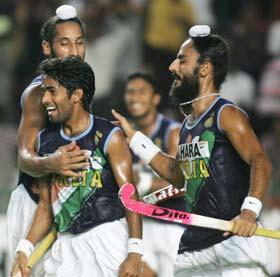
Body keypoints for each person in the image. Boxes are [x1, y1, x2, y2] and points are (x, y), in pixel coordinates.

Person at [112, 25, 272, 276]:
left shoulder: (227, 114)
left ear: (205, 68)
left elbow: (260, 160)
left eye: (182, 60)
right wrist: (135, 139)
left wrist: (249, 212)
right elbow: (177, 174)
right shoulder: (187, 125)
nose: (172, 67)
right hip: (193, 248)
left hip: (234, 243)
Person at [12, 56, 143, 277]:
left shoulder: (109, 136)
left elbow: (130, 196)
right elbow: (46, 207)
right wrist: (24, 249)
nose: (44, 99)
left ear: (76, 95)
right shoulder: (45, 141)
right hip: (64, 249)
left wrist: (135, 252)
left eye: (52, 91)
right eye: (44, 91)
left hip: (107, 243)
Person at [6, 5, 90, 275]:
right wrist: (52, 163)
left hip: (64, 205)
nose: (74, 51)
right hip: (32, 206)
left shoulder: (81, 89)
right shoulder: (36, 95)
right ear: (46, 47)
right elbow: (24, 158)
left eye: (79, 43)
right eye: (64, 43)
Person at [124, 72, 185, 277]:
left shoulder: (172, 132)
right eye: (130, 92)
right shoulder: (122, 136)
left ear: (156, 98)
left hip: (173, 223)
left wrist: (145, 183)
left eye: (141, 92)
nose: (135, 97)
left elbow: (186, 185)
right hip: (141, 224)